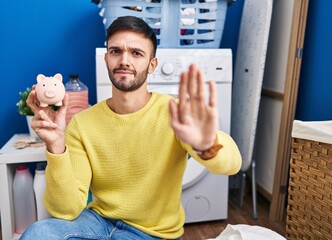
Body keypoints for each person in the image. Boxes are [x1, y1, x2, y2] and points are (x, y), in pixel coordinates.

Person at [21, 16, 242, 240]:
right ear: (107, 59)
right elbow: (66, 211)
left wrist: (207, 145)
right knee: (37, 233)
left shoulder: (175, 112)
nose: (124, 60)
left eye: (136, 53)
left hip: (151, 233)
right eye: (116, 51)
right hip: (98, 222)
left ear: (152, 64)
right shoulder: (82, 123)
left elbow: (232, 164)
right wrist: (56, 145)